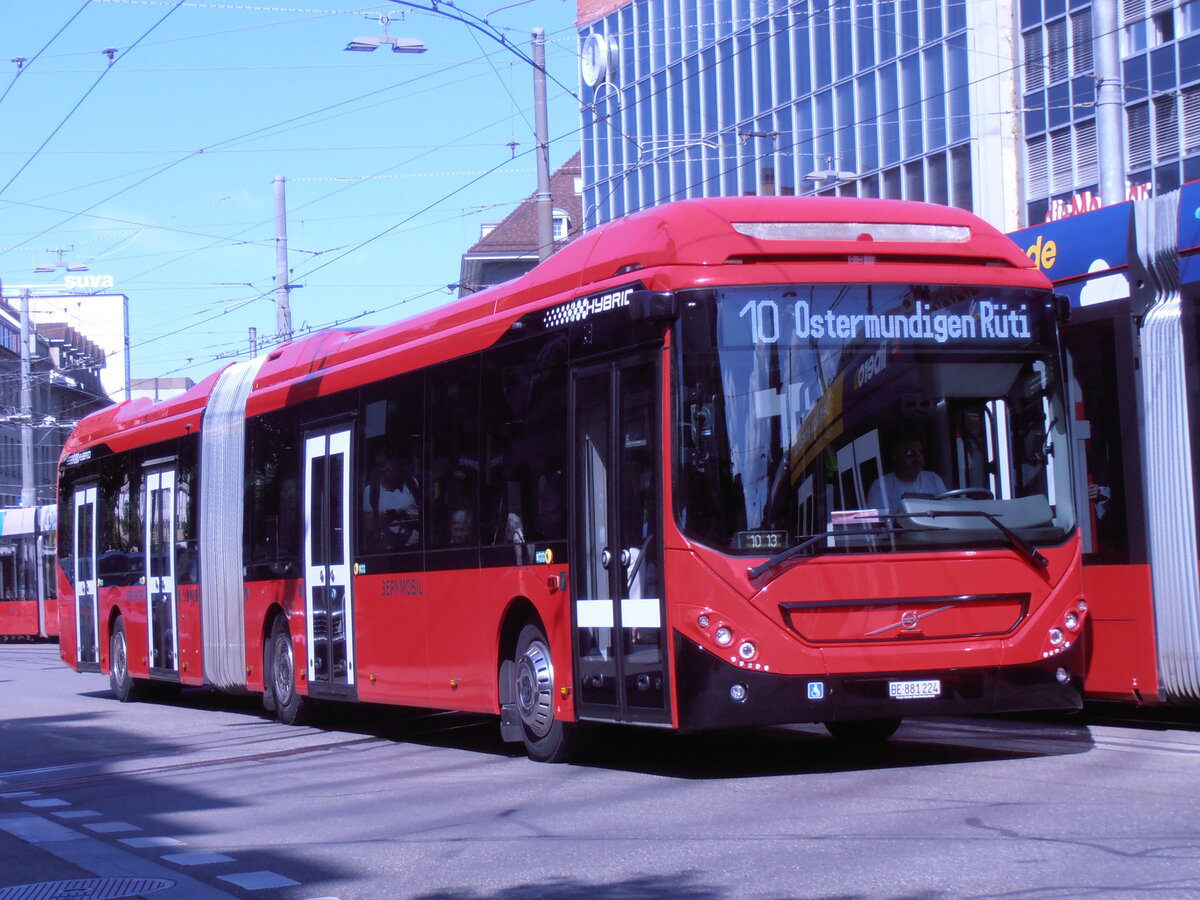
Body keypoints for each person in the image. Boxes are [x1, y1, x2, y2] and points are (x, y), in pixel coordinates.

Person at [866, 437, 947, 515]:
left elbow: (947, 510)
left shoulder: (933, 478)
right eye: (910, 453)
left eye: (920, 453)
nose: (917, 458)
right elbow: (879, 519)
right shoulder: (881, 485)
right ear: (896, 458)